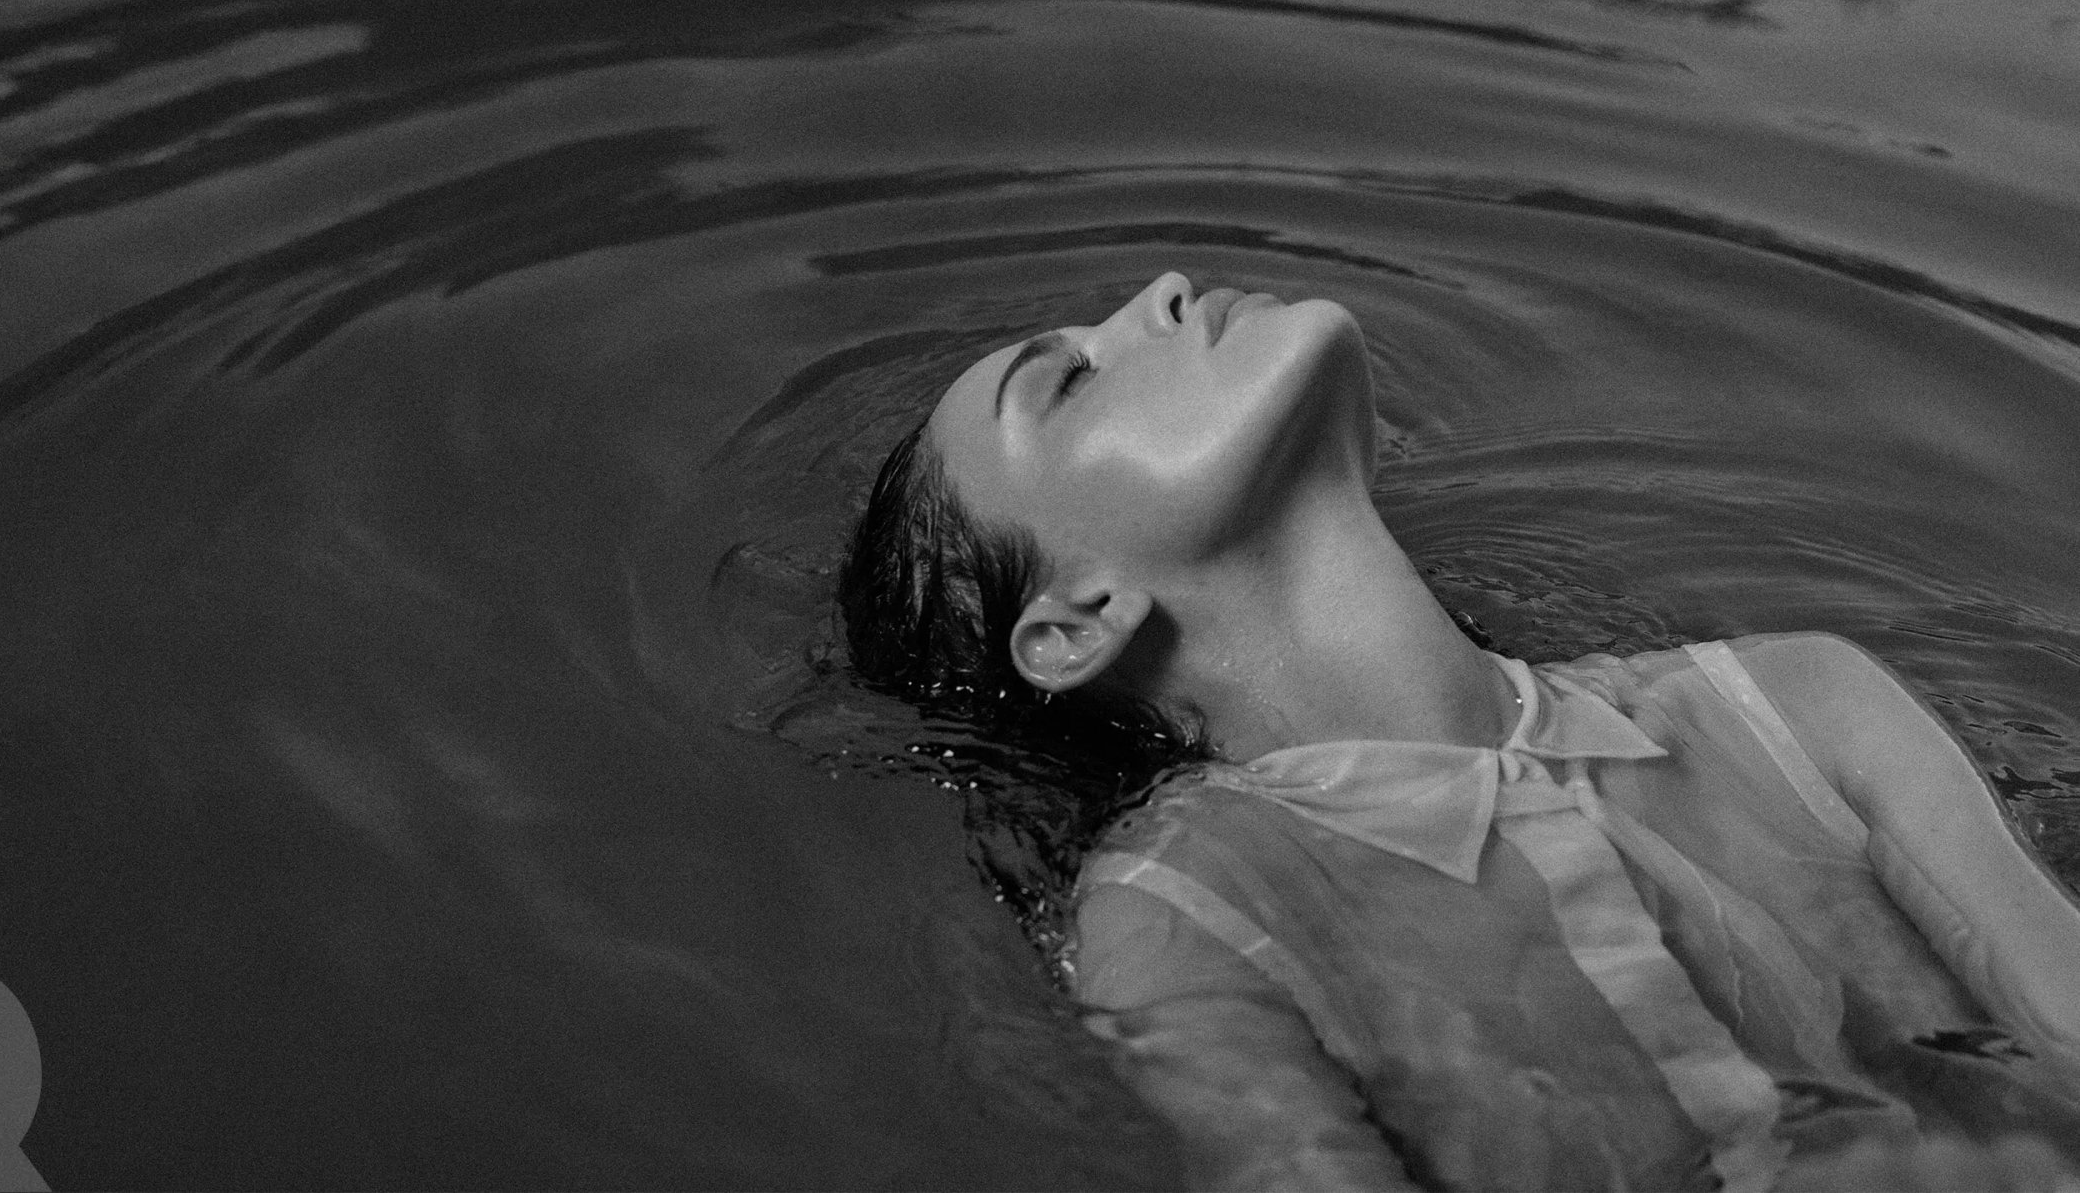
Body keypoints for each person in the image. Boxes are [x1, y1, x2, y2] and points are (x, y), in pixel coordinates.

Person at [837, 271, 2080, 1192]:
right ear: (1074, 625)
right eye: (1066, 381)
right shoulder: (1176, 910)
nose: (1159, 290)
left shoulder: (1802, 702)